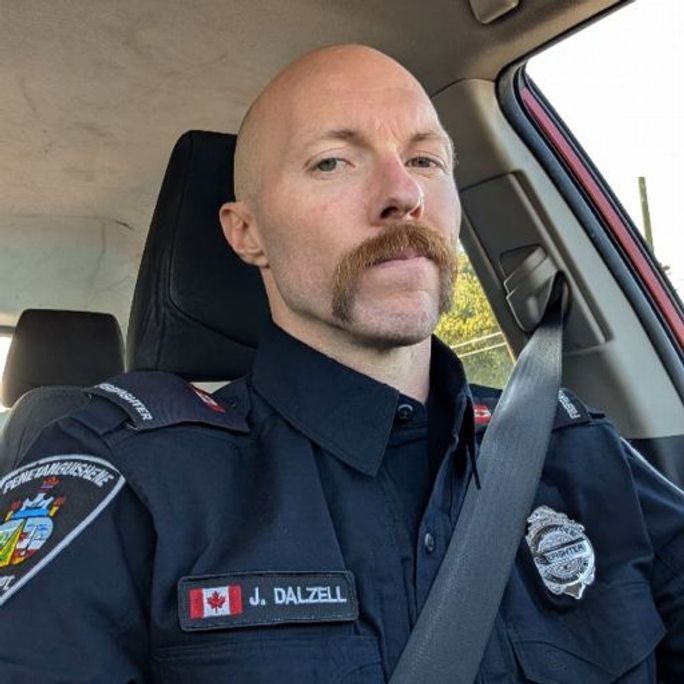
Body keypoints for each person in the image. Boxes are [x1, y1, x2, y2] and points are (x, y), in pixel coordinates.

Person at [0, 44, 682, 683]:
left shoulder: (575, 451)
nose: (401, 194)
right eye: (333, 161)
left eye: (425, 160)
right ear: (247, 232)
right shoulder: (128, 478)